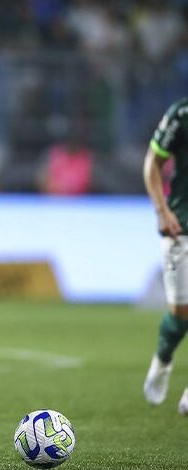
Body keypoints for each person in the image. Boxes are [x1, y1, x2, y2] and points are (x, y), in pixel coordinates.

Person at [142, 95, 188, 415]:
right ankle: (163, 358)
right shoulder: (181, 115)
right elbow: (152, 163)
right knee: (180, 314)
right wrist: (161, 210)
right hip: (180, 223)